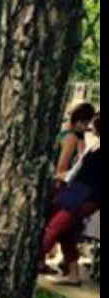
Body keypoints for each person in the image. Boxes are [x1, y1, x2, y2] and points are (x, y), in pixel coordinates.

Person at [41, 113, 100, 285]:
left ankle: (31, 262)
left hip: (87, 196)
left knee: (55, 226)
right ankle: (73, 274)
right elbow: (77, 171)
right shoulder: (94, 146)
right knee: (67, 233)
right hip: (76, 191)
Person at [55, 102, 97, 185]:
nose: (86, 127)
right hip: (64, 182)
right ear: (79, 120)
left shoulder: (71, 131)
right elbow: (62, 167)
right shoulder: (71, 137)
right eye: (86, 123)